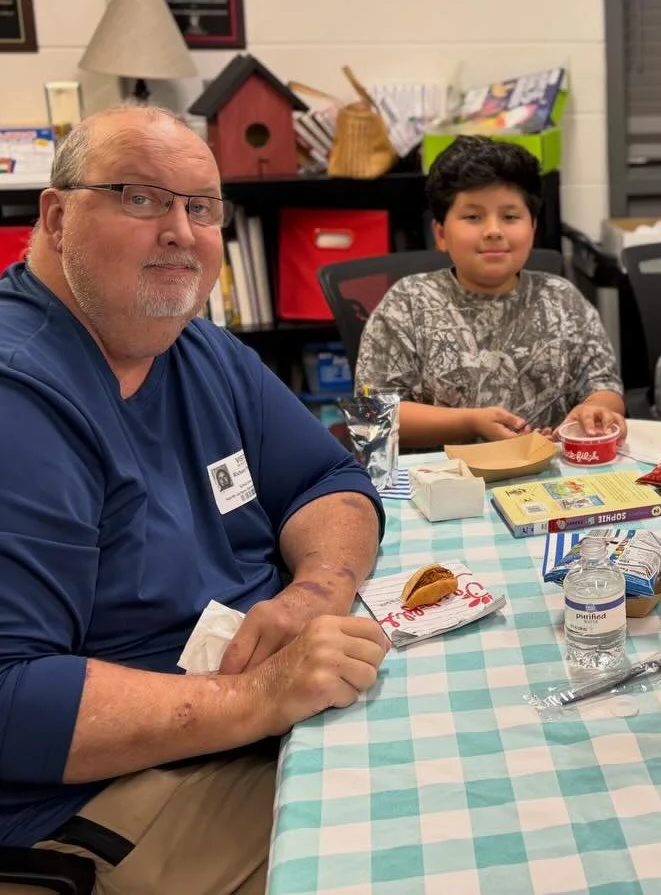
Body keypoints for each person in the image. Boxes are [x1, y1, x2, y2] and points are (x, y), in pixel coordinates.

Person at [0, 104, 389, 894]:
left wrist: (315, 592)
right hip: (109, 799)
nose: (180, 229)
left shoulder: (197, 348)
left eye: (201, 207)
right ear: (56, 215)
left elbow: (331, 481)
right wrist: (256, 695)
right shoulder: (21, 397)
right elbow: (11, 698)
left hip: (256, 725)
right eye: (141, 197)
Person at [354, 137, 625, 448]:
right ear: (440, 234)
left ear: (532, 229)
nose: (494, 230)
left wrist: (596, 409)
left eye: (510, 217)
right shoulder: (407, 304)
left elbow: (604, 387)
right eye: (473, 217)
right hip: (443, 483)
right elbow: (372, 417)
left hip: (550, 480)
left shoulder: (563, 300)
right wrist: (471, 422)